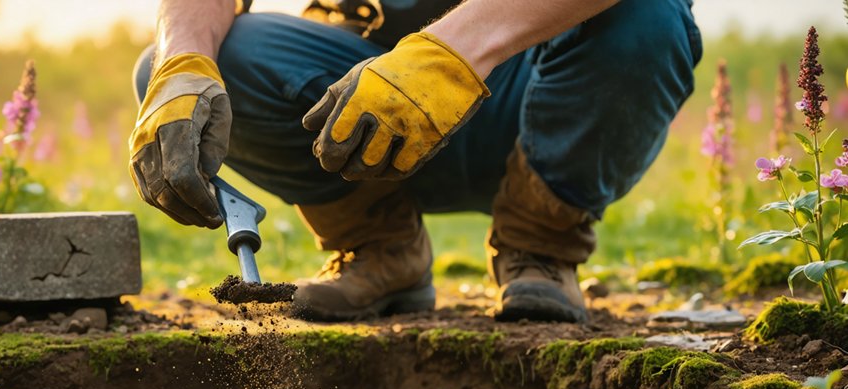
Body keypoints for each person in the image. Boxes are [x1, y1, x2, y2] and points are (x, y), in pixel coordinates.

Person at [130, 0, 702, 323]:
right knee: (189, 62)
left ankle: (540, 246)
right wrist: (179, 63)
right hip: (360, 113)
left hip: (547, 97)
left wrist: (449, 57)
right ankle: (381, 249)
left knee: (651, 15)